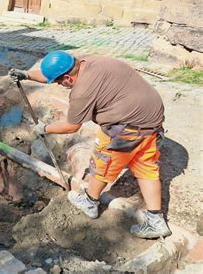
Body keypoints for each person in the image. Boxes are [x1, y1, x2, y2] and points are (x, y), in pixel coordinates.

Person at [9, 51, 171, 239]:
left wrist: (45, 128)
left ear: (68, 78)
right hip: (151, 121)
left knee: (102, 164)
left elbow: (71, 126)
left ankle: (90, 201)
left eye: (59, 82)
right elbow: (51, 75)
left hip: (125, 128)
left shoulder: (81, 92)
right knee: (146, 169)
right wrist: (27, 74)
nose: (59, 85)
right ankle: (156, 221)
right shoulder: (92, 61)